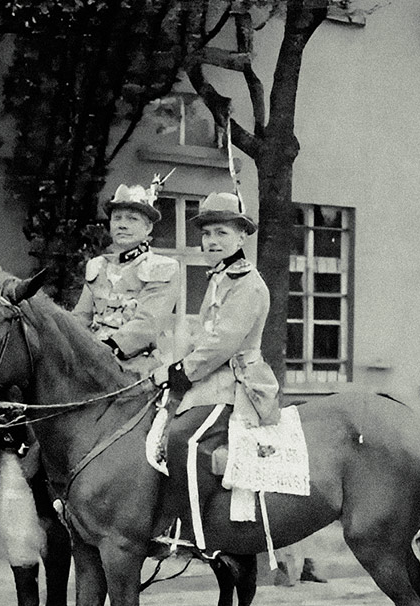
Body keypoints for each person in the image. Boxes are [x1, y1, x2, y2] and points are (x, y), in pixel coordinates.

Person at [160, 192, 280, 544]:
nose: (212, 241)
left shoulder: (247, 283)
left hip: (238, 381)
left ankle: (194, 533)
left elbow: (223, 343)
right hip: (212, 378)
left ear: (241, 236)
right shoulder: (220, 277)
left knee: (183, 437)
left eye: (221, 233)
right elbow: (203, 334)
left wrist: (180, 372)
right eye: (207, 233)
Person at [74, 180, 179, 375]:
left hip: (139, 365)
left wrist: (107, 348)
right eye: (117, 218)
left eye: (132, 219)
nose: (122, 225)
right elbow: (81, 317)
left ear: (148, 228)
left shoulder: (162, 267)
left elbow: (148, 323)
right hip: (92, 363)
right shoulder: (97, 266)